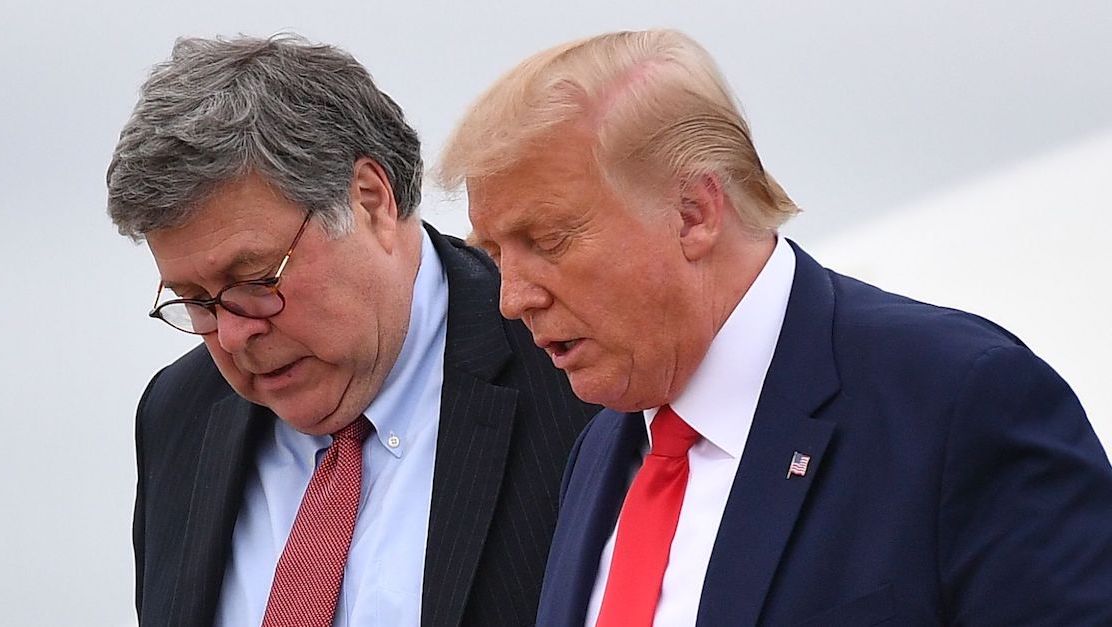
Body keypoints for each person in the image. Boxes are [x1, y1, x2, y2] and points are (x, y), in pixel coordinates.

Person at [437, 29, 1112, 626]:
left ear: (695, 212)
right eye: (495, 254)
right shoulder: (599, 448)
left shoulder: (959, 401)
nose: (512, 298)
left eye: (548, 239)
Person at [106, 34, 594, 627]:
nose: (231, 337)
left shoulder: (573, 372)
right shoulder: (178, 413)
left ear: (370, 200)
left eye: (256, 279)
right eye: (196, 302)